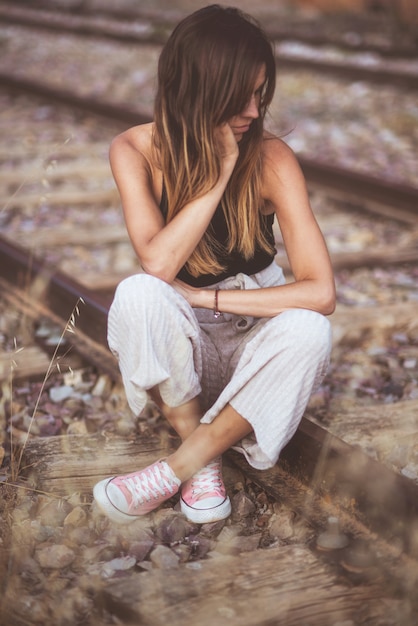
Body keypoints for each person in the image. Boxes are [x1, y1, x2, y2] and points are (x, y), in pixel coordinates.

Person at [93, 4, 335, 525]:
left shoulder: (273, 159)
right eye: (238, 96)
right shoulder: (135, 149)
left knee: (310, 331)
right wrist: (219, 170)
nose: (252, 110)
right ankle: (203, 466)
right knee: (138, 293)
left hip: (251, 337)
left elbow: (321, 293)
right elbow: (157, 262)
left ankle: (180, 467)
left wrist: (208, 297)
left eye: (259, 94)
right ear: (198, 90)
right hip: (189, 348)